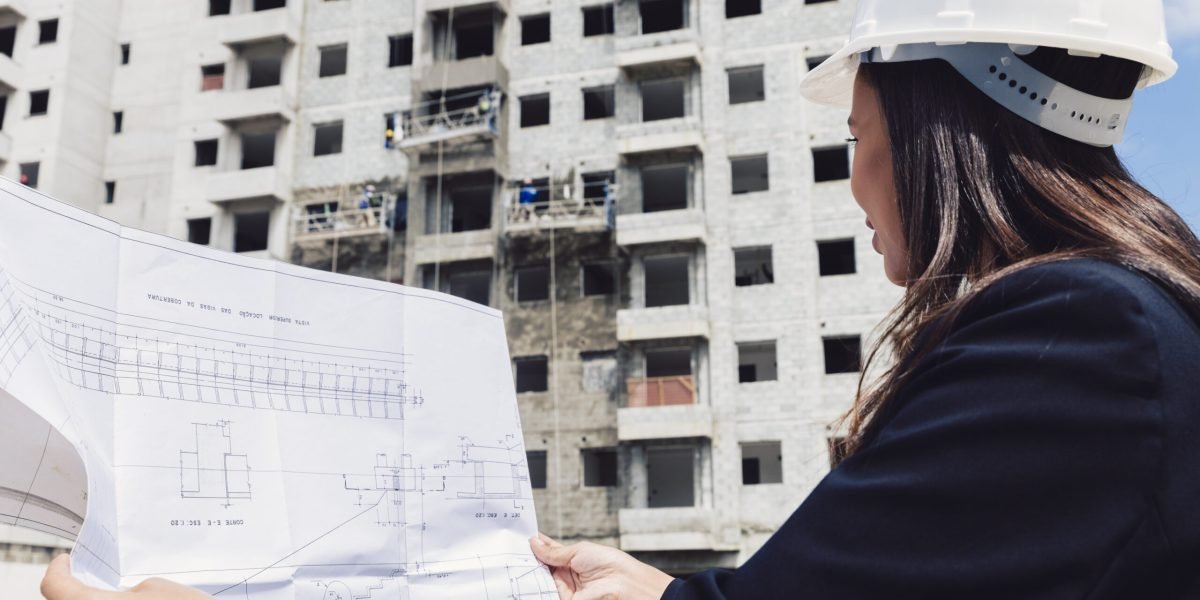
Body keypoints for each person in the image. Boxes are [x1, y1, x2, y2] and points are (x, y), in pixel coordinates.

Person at [41, 1, 1200, 598]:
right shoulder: (1128, 329)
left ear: (931, 130)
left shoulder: (1073, 342)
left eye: (853, 136)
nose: (853, 180)